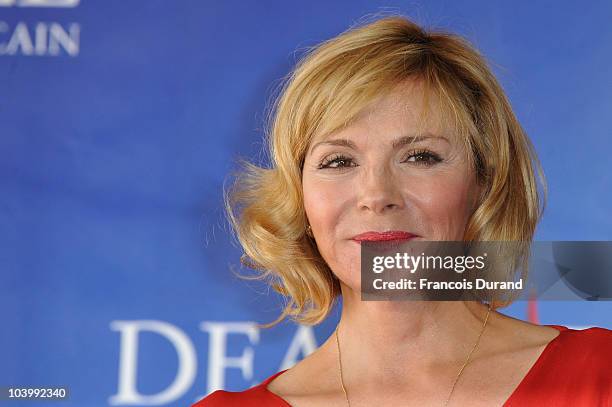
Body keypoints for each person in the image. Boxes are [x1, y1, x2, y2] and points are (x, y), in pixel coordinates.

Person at [193, 14, 612, 407]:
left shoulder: (600, 375)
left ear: (484, 181)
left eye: (420, 157)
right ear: (299, 197)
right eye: (338, 161)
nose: (376, 195)